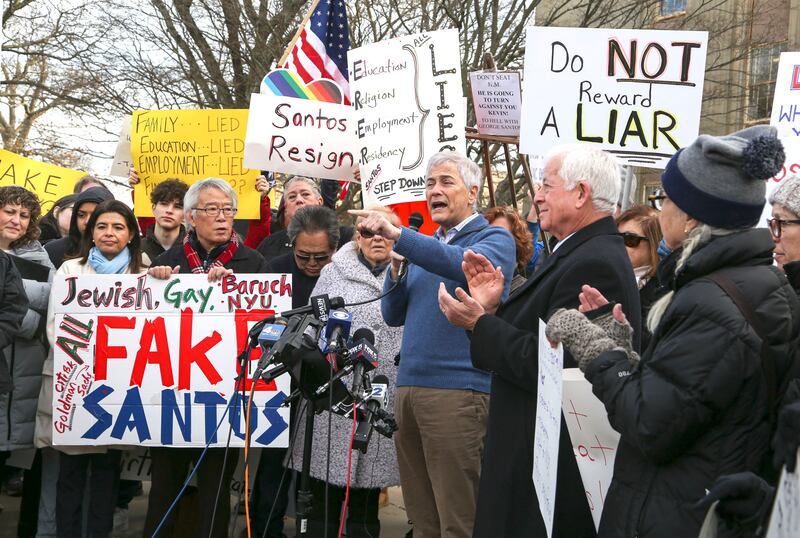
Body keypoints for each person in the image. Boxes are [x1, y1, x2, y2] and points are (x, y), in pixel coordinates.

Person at [545, 126, 799, 538]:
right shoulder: (750, 284)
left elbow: (650, 424)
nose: (660, 212)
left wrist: (595, 348)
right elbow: (689, 398)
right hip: (694, 502)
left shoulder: (712, 304)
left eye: (665, 200)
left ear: (694, 216)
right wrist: (624, 350)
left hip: (678, 514)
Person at [437, 144, 641, 538]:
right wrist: (493, 311)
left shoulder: (595, 261)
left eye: (547, 186)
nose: (538, 196)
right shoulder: (574, 252)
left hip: (550, 470)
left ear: (581, 193)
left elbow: (555, 365)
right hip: (533, 456)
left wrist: (481, 323)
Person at [351, 151, 516, 538]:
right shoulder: (425, 245)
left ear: (473, 192)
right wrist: (396, 268)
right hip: (409, 388)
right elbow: (394, 313)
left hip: (457, 391)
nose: (434, 191)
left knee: (458, 519)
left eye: (446, 182)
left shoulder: (493, 238)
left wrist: (402, 237)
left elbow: (463, 264)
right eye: (429, 183)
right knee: (422, 519)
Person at [144, 178, 268, 538]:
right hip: (172, 398)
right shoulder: (168, 262)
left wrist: (235, 291)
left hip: (223, 398)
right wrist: (156, 283)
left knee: (216, 490)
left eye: (227, 210)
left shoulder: (253, 263)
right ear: (191, 218)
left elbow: (265, 322)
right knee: (165, 487)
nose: (222, 217)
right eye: (211, 209)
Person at [288, 206, 403, 537]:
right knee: (324, 496)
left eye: (386, 230)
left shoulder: (412, 271)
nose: (377, 238)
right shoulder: (333, 271)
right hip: (335, 397)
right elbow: (313, 326)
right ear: (356, 236)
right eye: (368, 231)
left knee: (365, 503)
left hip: (384, 394)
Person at [33, 199, 145, 538]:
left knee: (106, 477)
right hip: (76, 386)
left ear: (131, 235)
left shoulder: (144, 273)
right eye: (102, 226)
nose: (109, 233)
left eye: (118, 227)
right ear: (91, 232)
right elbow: (56, 326)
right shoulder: (70, 270)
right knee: (69, 475)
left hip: (120, 391)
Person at [249, 204, 339, 538]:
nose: (313, 264)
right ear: (292, 247)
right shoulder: (273, 270)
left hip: (326, 383)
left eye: (322, 257)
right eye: (305, 257)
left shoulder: (343, 272)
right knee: (274, 466)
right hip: (279, 384)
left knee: (319, 466)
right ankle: (265, 528)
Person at [0, 186, 55, 537]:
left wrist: (11, 286)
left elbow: (56, 294)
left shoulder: (38, 254)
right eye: (9, 211)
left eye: (23, 215)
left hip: (23, 377)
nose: (16, 220)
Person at [257, 176, 352, 261]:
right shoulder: (270, 244)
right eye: (292, 197)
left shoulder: (346, 237)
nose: (299, 200)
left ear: (319, 202)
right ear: (286, 206)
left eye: (305, 194)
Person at [616, 205, 664, 350]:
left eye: (630, 239)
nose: (619, 245)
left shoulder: (663, 291)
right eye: (616, 238)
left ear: (653, 243)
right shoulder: (609, 276)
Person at [44, 186, 114, 269]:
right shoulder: (53, 250)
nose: (87, 221)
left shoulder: (128, 253)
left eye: (95, 215)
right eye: (81, 215)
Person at [484, 206, 534, 292]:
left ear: (518, 246)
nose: (492, 242)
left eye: (501, 236)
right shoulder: (469, 282)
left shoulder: (524, 291)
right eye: (488, 234)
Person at [140, 178, 188, 264]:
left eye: (177, 207)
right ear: (153, 208)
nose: (169, 210)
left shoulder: (195, 250)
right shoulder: (136, 249)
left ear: (185, 214)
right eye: (164, 204)